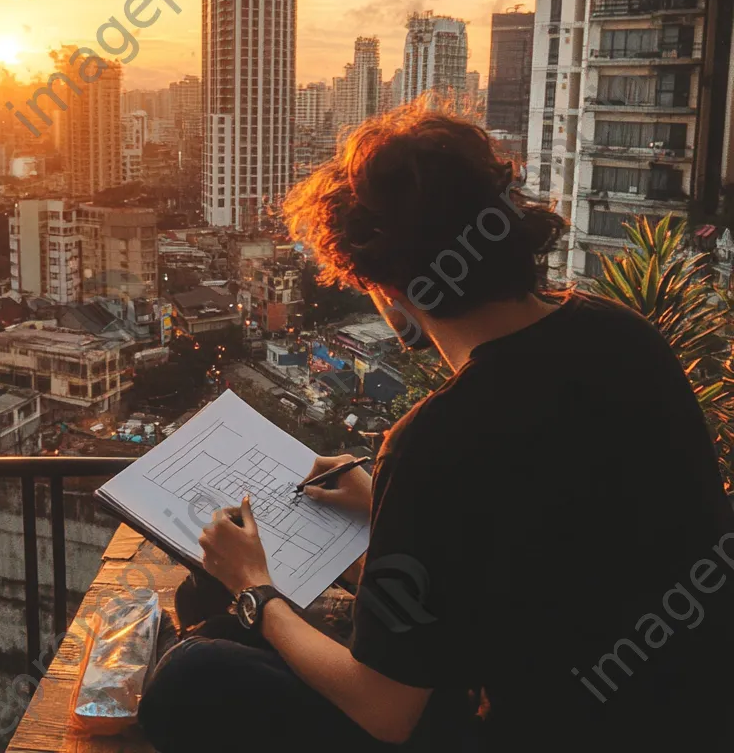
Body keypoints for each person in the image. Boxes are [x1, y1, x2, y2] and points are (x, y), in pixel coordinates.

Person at [138, 102, 734, 752]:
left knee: (192, 672)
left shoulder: (437, 438)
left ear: (388, 291)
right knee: (217, 636)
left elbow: (384, 711)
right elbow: (556, 539)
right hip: (695, 711)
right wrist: (385, 507)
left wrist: (253, 588)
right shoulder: (620, 334)